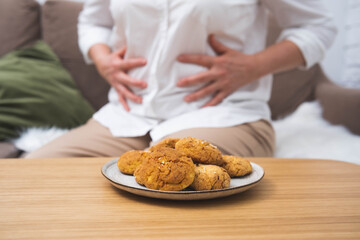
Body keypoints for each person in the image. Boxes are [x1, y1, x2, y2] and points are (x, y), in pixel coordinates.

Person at [26, 0, 336, 158]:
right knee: (34, 175)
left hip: (223, 116)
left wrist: (254, 65)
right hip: (127, 118)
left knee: (170, 182)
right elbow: (93, 22)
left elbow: (317, 27)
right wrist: (102, 59)